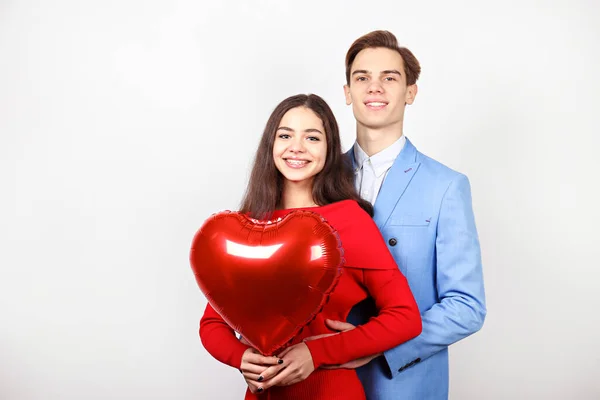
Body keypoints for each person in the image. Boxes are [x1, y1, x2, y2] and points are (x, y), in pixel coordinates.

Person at [199, 93, 422, 399]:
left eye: (312, 137)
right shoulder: (246, 227)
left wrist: (317, 352)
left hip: (330, 390)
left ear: (329, 150)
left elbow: (404, 316)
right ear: (271, 145)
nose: (297, 147)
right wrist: (241, 358)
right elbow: (212, 324)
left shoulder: (350, 220)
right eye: (285, 135)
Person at [308, 30, 487, 400]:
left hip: (405, 382)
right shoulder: (316, 181)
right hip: (323, 380)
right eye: (362, 78)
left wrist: (379, 343)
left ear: (410, 92)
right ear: (347, 93)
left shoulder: (447, 186)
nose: (375, 88)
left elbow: (466, 306)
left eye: (389, 78)